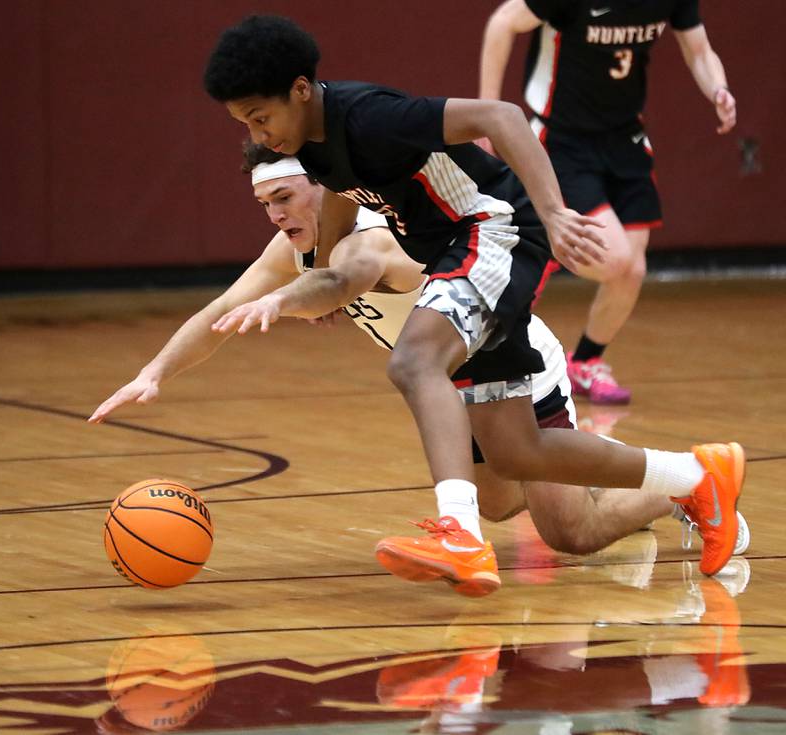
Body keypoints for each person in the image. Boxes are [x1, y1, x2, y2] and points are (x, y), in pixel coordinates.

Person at [199, 14, 743, 596]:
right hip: (456, 255)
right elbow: (338, 189)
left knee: (413, 361)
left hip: (494, 227)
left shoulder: (369, 116)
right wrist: (328, 268)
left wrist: (556, 211)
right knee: (515, 452)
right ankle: (696, 477)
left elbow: (501, 116)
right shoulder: (315, 143)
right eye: (245, 124)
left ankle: (458, 532)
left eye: (261, 118)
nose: (258, 135)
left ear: (301, 91)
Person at [90, 145, 749, 563]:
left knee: (569, 535)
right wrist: (153, 371)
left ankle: (684, 487)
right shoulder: (292, 249)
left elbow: (338, 283)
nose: (274, 214)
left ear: (323, 186)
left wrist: (286, 303)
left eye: (284, 197)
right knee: (496, 504)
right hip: (454, 387)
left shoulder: (373, 237)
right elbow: (216, 316)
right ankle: (618, 487)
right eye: (264, 203)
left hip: (511, 361)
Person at [479, 0, 736, 404]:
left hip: (626, 140)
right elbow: (502, 22)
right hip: (562, 139)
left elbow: (698, 49)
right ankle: (506, 287)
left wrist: (717, 88)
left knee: (631, 271)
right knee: (613, 257)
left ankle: (584, 363)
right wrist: (487, 113)